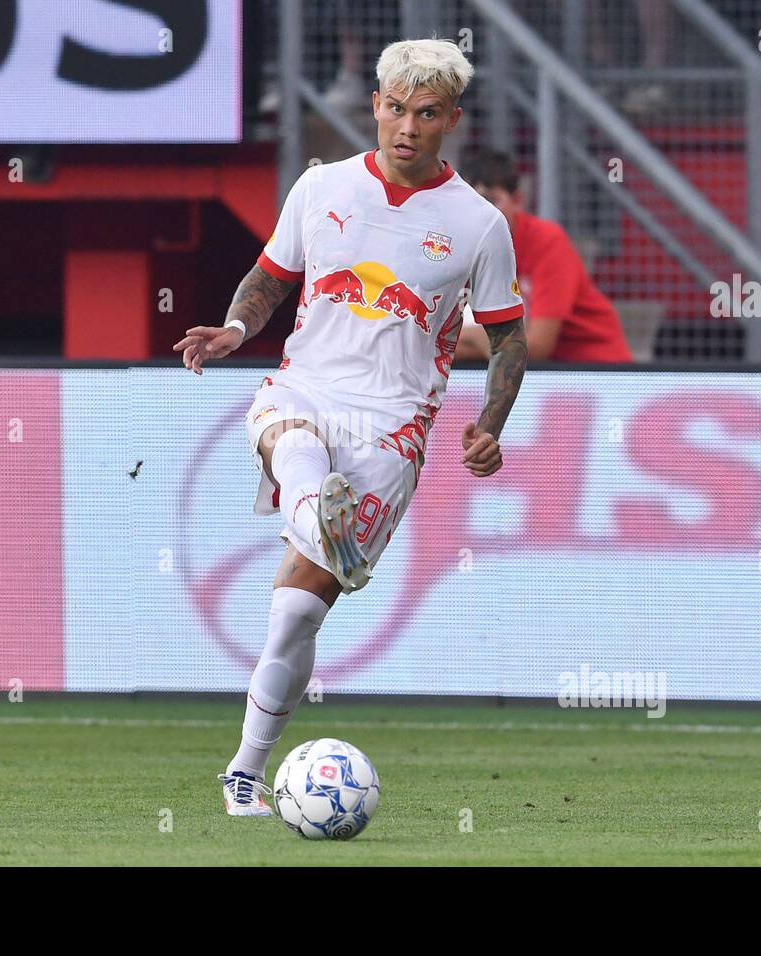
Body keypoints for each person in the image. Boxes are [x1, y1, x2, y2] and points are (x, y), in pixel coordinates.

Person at [174, 39, 527, 818]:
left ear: (451, 120)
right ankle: (316, 513)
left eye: (426, 113)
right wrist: (235, 329)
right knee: (292, 439)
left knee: (297, 614)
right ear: (375, 105)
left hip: (392, 423)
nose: (407, 127)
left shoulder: (478, 224)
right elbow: (271, 277)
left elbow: (508, 338)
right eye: (395, 108)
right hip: (306, 384)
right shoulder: (321, 186)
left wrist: (490, 423)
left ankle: (244, 771)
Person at [455, 148, 632, 364]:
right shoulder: (461, 246)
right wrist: (478, 341)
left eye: (491, 200)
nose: (480, 214)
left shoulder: (546, 241)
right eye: (471, 204)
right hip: (532, 374)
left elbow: (537, 348)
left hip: (597, 371)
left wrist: (471, 337)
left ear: (517, 200)